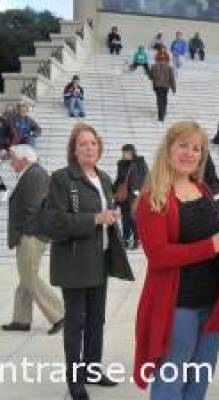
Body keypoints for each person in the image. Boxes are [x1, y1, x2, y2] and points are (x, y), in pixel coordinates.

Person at [133, 121, 219, 398]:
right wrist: (209, 247)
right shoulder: (153, 198)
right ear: (168, 149)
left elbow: (213, 230)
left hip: (212, 301)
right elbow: (158, 255)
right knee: (171, 378)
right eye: (183, 146)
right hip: (177, 304)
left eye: (197, 148)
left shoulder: (202, 190)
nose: (190, 153)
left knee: (200, 377)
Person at [47, 123, 134, 400]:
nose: (89, 147)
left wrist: (110, 218)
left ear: (100, 148)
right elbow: (56, 221)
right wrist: (96, 219)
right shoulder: (62, 179)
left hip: (100, 260)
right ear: (74, 149)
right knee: (75, 323)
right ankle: (75, 381)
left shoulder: (105, 179)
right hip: (74, 262)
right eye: (82, 143)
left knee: (96, 319)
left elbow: (106, 214)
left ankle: (92, 370)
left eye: (93, 143)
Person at [2, 145, 64, 334]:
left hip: (31, 234)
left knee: (29, 276)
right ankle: (21, 320)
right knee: (25, 277)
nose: (11, 162)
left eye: (13, 159)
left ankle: (60, 314)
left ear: (24, 160)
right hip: (30, 233)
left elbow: (34, 208)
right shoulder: (31, 172)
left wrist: (26, 233)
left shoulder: (35, 175)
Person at [112, 144, 149, 250]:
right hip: (124, 196)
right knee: (125, 219)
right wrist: (113, 190)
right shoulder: (121, 164)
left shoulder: (139, 162)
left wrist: (139, 191)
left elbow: (146, 177)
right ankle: (125, 240)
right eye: (123, 152)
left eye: (127, 152)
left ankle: (137, 240)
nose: (125, 155)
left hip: (134, 195)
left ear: (133, 152)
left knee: (134, 219)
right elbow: (119, 179)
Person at [149, 54, 176, 122]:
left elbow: (150, 76)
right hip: (165, 86)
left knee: (159, 99)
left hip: (157, 86)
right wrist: (173, 88)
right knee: (164, 99)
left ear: (157, 59)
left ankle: (161, 115)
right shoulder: (169, 67)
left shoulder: (153, 66)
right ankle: (163, 111)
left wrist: (155, 78)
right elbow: (172, 78)